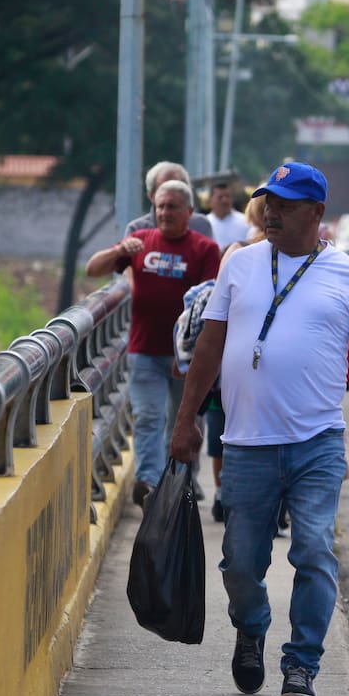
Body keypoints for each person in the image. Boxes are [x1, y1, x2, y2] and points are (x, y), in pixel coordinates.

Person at [168, 161, 349, 696]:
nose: (272, 211)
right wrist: (186, 419)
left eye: (285, 203)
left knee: (313, 551)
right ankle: (251, 626)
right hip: (245, 443)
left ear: (316, 213)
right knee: (240, 562)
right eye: (269, 202)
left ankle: (302, 665)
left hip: (317, 443)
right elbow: (209, 346)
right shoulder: (239, 265)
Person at [85, 180, 221, 508]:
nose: (164, 212)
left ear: (189, 211)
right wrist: (119, 251)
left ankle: (176, 486)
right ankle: (150, 483)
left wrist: (189, 354)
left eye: (172, 206)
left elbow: (210, 304)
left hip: (185, 357)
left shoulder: (204, 249)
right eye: (160, 206)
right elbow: (93, 269)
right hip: (143, 350)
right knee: (147, 417)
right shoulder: (140, 241)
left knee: (182, 423)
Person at [203, 194, 268, 524]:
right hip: (233, 366)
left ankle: (243, 499)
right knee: (224, 431)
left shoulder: (306, 259)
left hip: (255, 374)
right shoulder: (240, 254)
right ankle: (224, 493)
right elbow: (216, 318)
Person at [124, 161, 213, 238]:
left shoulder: (200, 225)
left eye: (177, 188)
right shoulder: (137, 230)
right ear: (151, 196)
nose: (171, 195)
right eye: (164, 189)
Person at [207, 181, 249, 250]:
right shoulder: (205, 223)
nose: (225, 200)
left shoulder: (245, 221)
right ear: (210, 201)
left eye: (227, 196)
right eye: (220, 197)